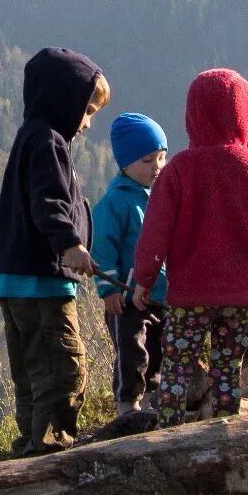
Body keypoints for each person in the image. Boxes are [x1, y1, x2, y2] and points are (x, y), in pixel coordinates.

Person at [130, 69, 248, 421]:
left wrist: (145, 277)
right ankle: (224, 429)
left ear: (193, 117)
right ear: (246, 115)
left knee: (177, 370)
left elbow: (156, 230)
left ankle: (166, 432)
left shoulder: (180, 169)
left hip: (191, 295)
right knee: (228, 370)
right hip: (239, 296)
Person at [0, 47, 109, 455]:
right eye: (87, 110)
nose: (88, 123)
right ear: (63, 99)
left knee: (32, 369)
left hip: (15, 279)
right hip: (42, 280)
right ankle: (51, 446)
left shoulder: (33, 138)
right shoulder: (48, 142)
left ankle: (30, 440)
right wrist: (70, 246)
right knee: (62, 368)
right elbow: (49, 202)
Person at [89, 112, 169, 412]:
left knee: (159, 350)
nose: (157, 167)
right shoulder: (115, 202)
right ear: (125, 163)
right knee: (131, 352)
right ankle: (127, 403)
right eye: (147, 160)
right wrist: (108, 289)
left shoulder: (159, 197)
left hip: (158, 295)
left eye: (161, 157)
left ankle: (151, 399)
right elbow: (102, 247)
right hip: (125, 298)